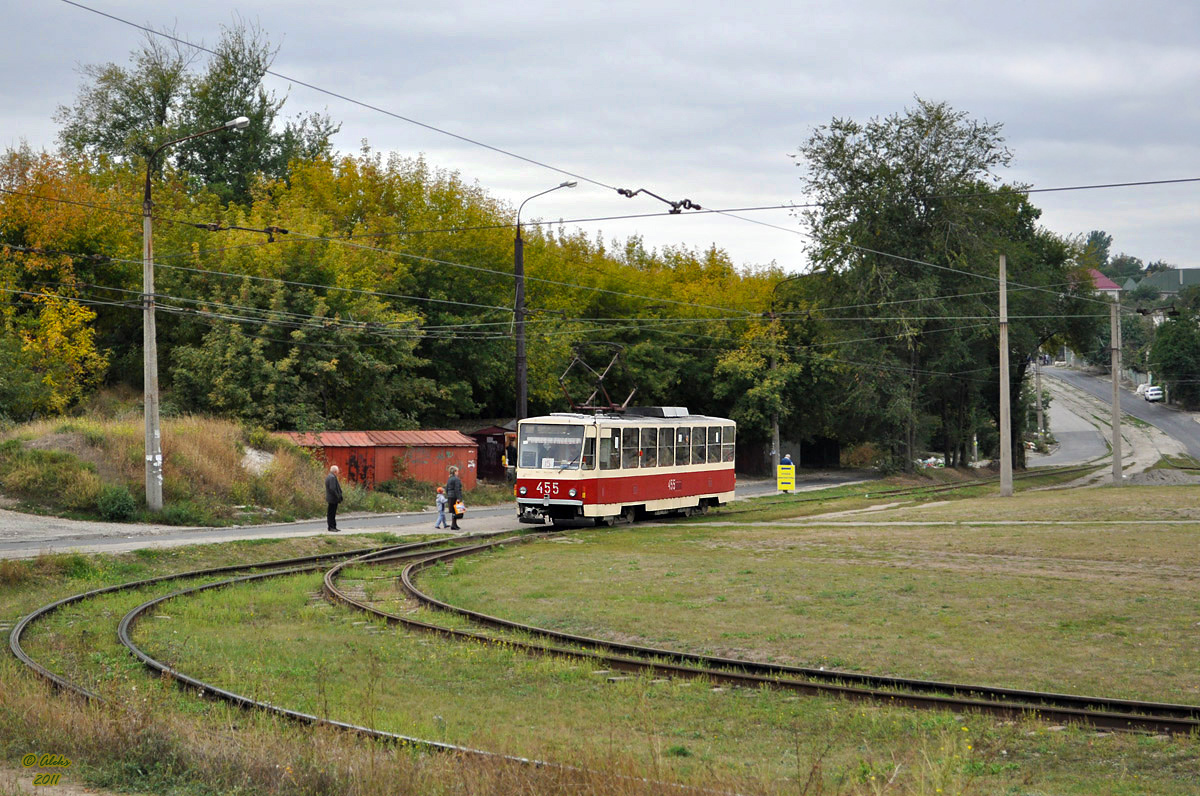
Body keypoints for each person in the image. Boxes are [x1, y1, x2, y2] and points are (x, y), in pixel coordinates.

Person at [444, 465, 464, 531]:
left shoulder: (449, 479)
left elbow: (446, 488)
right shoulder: (456, 479)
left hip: (450, 496)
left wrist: (448, 495)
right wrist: (459, 498)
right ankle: (454, 525)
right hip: (455, 496)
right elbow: (457, 489)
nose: (458, 472)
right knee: (457, 511)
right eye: (457, 471)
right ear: (455, 472)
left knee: (453, 511)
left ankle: (454, 524)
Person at [325, 465, 343, 532]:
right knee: (331, 513)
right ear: (335, 471)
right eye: (338, 471)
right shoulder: (332, 477)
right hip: (333, 498)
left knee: (331, 513)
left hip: (330, 498)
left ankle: (332, 526)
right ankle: (331, 527)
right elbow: (332, 488)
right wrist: (338, 496)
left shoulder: (329, 476)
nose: (338, 472)